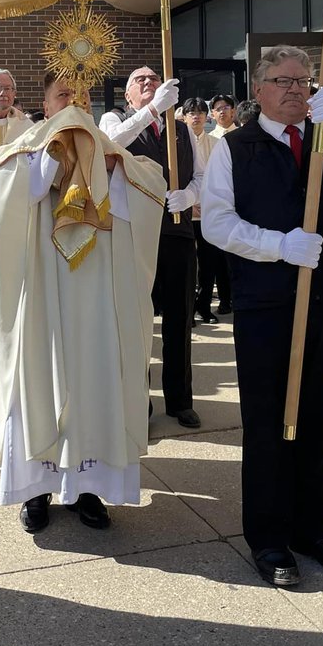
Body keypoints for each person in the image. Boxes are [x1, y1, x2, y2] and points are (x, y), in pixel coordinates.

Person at [201, 45, 323, 587]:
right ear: (258, 88)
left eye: (304, 80)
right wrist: (277, 246)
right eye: (282, 80)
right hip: (266, 301)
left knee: (316, 415)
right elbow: (217, 224)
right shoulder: (233, 148)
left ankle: (315, 527)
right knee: (268, 421)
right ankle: (268, 538)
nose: (295, 89)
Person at [0, 74, 165, 534]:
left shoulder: (113, 152)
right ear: (45, 106)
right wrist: (47, 165)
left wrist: (111, 173)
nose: (74, 104)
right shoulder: (22, 148)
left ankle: (88, 489)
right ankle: (36, 492)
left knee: (94, 380)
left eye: (82, 97)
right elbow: (2, 203)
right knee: (42, 383)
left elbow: (149, 196)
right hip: (42, 291)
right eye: (63, 96)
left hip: (99, 293)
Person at [101, 68, 205, 427]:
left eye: (154, 79)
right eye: (140, 80)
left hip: (177, 232)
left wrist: (189, 194)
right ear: (128, 94)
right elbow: (110, 143)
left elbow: (202, 174)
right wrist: (151, 112)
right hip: (133, 234)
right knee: (135, 321)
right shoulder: (115, 117)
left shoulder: (181, 130)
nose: (149, 83)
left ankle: (179, 398)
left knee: (180, 319)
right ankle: (137, 401)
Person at [180, 98, 220, 327]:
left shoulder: (215, 143)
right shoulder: (177, 142)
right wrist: (190, 200)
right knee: (187, 266)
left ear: (207, 117)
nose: (196, 116)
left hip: (208, 212)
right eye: (191, 112)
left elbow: (218, 178)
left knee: (208, 264)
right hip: (184, 212)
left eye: (200, 112)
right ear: (184, 116)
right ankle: (187, 309)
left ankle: (204, 307)